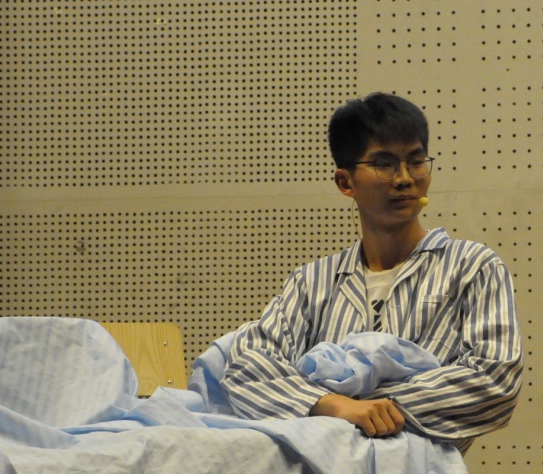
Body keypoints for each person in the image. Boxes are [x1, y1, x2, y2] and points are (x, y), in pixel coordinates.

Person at [222, 92, 522, 450]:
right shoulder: (311, 283)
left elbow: (494, 380)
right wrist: (330, 404)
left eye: (416, 161)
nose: (405, 178)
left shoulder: (472, 267)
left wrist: (372, 406)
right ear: (345, 182)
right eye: (384, 164)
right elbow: (245, 369)